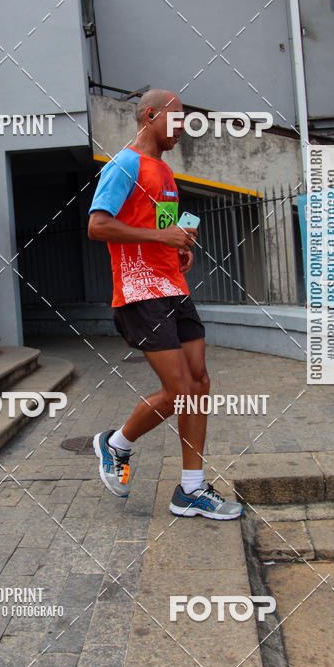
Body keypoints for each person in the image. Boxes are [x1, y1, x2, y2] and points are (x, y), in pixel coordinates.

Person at [87, 88, 243, 520]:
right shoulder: (125, 164)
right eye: (177, 120)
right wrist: (160, 238)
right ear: (151, 115)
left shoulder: (165, 173)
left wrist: (176, 249)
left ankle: (190, 488)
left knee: (199, 384)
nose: (181, 128)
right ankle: (116, 444)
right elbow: (98, 226)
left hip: (173, 286)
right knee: (179, 390)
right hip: (140, 292)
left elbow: (160, 226)